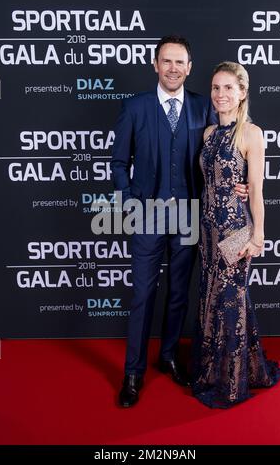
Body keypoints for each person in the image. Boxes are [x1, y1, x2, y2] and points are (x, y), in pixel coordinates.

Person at [111, 36, 246, 408]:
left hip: (189, 216)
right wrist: (130, 200)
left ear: (189, 68)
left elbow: (229, 147)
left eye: (180, 62)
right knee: (142, 295)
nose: (173, 68)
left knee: (177, 295)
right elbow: (119, 163)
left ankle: (168, 356)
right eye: (166, 61)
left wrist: (242, 185)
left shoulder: (204, 108)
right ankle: (133, 372)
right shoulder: (135, 107)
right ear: (155, 65)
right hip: (146, 216)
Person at [192, 61, 280, 408]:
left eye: (228, 88)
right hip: (208, 231)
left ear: (243, 92)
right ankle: (225, 370)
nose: (220, 94)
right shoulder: (208, 134)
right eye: (216, 88)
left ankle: (231, 383)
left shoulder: (251, 133)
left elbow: (257, 190)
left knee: (230, 303)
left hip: (235, 229)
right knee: (212, 299)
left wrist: (258, 235)